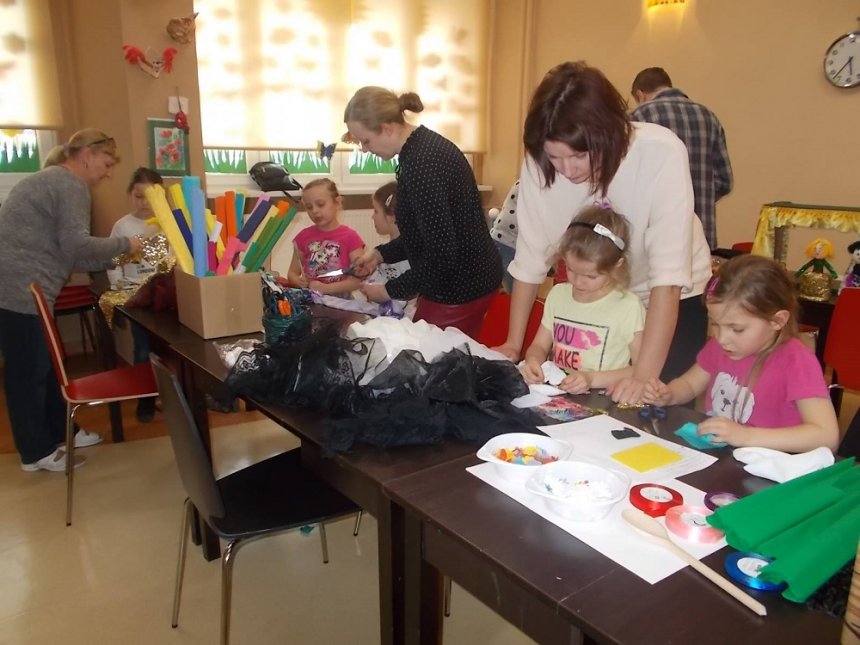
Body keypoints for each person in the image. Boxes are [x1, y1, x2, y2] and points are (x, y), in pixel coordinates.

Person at [495, 61, 712, 405]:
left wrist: (643, 377)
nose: (568, 170)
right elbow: (530, 258)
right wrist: (513, 343)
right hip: (594, 296)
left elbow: (667, 280)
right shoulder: (539, 164)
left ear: (608, 132)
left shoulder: (660, 152)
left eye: (579, 155)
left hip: (664, 297)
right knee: (581, 403)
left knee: (652, 403)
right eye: (555, 157)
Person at [0, 129, 142, 472]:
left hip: (20, 285)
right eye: (107, 163)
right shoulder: (70, 184)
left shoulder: (54, 180)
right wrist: (127, 246)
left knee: (44, 366)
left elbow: (72, 254)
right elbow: (77, 247)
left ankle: (62, 432)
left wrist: (118, 256)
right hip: (18, 288)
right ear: (87, 156)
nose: (108, 172)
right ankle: (35, 452)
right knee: (29, 372)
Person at [344, 86, 503, 339]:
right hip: (464, 277)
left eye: (366, 140)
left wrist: (390, 290)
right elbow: (425, 234)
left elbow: (442, 255)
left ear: (387, 128)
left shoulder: (422, 164)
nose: (364, 149)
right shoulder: (418, 149)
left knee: (425, 353)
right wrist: (379, 254)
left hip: (463, 285)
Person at [643, 255, 839, 453]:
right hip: (727, 457)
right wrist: (670, 395)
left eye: (736, 329)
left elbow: (827, 436)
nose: (722, 338)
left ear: (777, 321)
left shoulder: (797, 361)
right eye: (715, 324)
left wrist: (747, 436)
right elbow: (689, 384)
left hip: (773, 463)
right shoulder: (721, 347)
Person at [522, 206, 644, 394]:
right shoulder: (558, 295)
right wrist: (533, 361)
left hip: (602, 400)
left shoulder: (629, 307)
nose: (578, 282)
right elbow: (539, 345)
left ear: (617, 266)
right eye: (571, 269)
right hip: (559, 395)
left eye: (591, 276)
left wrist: (591, 379)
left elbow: (641, 369)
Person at [630, 67, 733, 250]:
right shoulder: (709, 117)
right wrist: (698, 195)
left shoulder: (639, 117)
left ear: (640, 94)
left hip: (657, 232)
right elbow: (725, 181)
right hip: (702, 231)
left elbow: (631, 178)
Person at [110, 167, 164, 422]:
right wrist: (120, 289)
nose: (144, 202)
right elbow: (113, 262)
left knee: (168, 350)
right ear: (130, 195)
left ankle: (169, 397)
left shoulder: (167, 223)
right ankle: (145, 402)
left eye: (150, 196)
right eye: (139, 196)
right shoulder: (122, 226)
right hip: (136, 296)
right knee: (143, 350)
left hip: (163, 296)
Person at [286, 178, 365, 296]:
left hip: (341, 301)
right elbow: (292, 273)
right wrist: (298, 281)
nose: (315, 211)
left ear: (337, 202)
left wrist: (327, 288)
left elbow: (358, 280)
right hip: (311, 299)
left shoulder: (351, 237)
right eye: (309, 207)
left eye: (320, 204)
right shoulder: (302, 237)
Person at [488, 179, 521, 293]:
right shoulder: (533, 182)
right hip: (509, 242)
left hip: (502, 240)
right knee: (517, 291)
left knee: (515, 290)